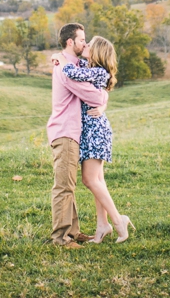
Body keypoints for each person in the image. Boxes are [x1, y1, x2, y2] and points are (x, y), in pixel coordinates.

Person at [54, 36, 135, 243]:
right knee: (98, 180)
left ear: (97, 52)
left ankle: (118, 221)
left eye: (89, 44)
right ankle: (102, 226)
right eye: (84, 41)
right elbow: (76, 65)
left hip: (95, 130)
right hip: (90, 129)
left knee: (90, 180)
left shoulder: (97, 71)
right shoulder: (88, 66)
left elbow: (70, 71)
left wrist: (59, 60)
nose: (85, 45)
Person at [46, 23, 109, 248]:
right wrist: (102, 102)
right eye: (82, 39)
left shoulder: (73, 64)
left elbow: (101, 89)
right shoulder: (66, 69)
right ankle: (61, 239)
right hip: (65, 131)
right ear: (71, 42)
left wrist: (103, 102)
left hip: (73, 132)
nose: (86, 43)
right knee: (63, 186)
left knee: (69, 184)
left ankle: (72, 232)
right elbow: (95, 96)